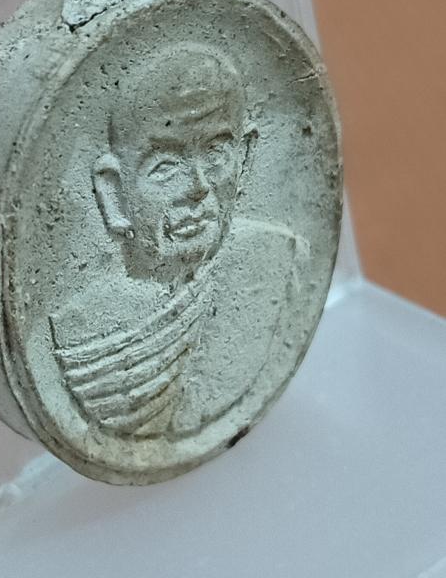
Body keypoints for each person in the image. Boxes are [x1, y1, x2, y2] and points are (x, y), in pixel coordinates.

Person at [50, 41, 308, 437]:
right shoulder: (77, 329)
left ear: (245, 158)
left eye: (216, 153)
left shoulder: (276, 261)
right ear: (113, 191)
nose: (199, 186)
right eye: (166, 166)